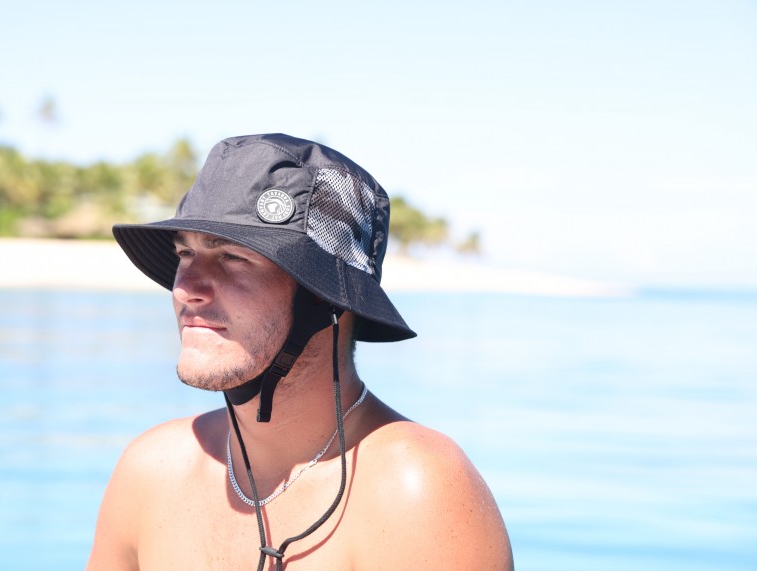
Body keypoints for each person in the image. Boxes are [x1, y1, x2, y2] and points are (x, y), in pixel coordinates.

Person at [86, 133, 513, 570]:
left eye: (232, 257)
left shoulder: (415, 490)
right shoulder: (152, 469)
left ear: (325, 299)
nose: (184, 288)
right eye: (185, 252)